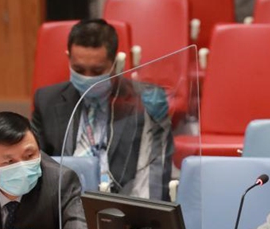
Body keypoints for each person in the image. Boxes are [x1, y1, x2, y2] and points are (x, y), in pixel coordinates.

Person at [32, 19, 174, 200]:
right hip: (66, 200)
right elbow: (35, 163)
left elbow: (154, 173)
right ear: (68, 58)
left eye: (97, 70)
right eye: (79, 69)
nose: (87, 77)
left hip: (121, 200)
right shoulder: (46, 101)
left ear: (116, 63)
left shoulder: (145, 102)